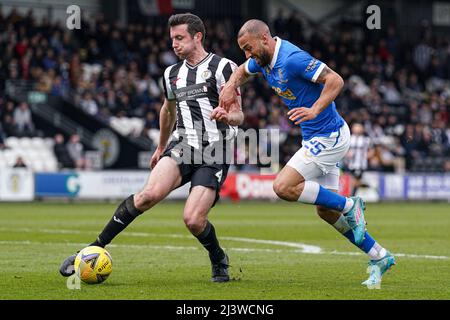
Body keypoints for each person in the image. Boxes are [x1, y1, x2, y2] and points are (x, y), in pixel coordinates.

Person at [59, 13, 244, 283]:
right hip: (183, 145)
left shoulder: (224, 67)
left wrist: (228, 117)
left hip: (214, 151)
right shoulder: (172, 74)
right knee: (147, 195)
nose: (174, 44)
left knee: (193, 220)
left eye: (180, 38)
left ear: (197, 37)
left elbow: (240, 115)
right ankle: (91, 248)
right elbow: (167, 111)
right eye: (172, 40)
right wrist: (160, 147)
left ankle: (218, 257)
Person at [219, 19, 395, 289]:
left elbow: (335, 80)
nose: (247, 54)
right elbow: (243, 70)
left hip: (330, 136)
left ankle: (351, 205)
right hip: (316, 137)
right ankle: (379, 256)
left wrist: (314, 110)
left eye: (249, 48)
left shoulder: (291, 59)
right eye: (243, 49)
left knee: (282, 186)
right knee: (325, 210)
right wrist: (231, 85)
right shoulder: (263, 60)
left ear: (265, 38)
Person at [344, 123, 374, 196]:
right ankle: (366, 185)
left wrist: (368, 156)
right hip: (350, 164)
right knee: (354, 181)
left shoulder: (366, 140)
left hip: (360, 164)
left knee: (354, 181)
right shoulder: (349, 138)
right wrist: (347, 154)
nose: (357, 129)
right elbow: (344, 149)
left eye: (358, 127)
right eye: (355, 127)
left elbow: (372, 150)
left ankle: (352, 197)